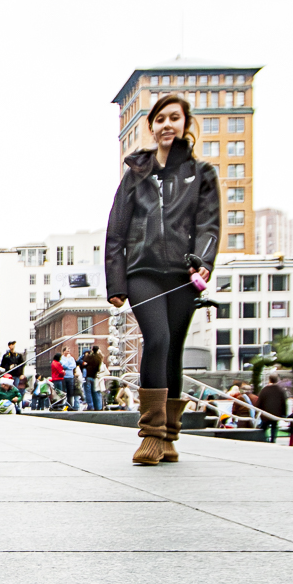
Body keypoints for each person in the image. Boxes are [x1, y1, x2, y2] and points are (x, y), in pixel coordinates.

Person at [106, 93, 220, 465]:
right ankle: (151, 434)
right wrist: (116, 284)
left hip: (183, 275)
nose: (168, 124)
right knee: (157, 338)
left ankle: (170, 437)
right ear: (151, 126)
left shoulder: (203, 174)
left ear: (186, 124)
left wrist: (202, 260)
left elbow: (209, 225)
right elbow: (116, 232)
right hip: (142, 271)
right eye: (161, 119)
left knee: (173, 349)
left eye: (175, 117)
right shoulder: (135, 174)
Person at [256, 373, 288, 443]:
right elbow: (284, 403)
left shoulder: (264, 390)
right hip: (276, 414)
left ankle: (264, 439)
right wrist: (284, 414)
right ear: (277, 380)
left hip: (265, 414)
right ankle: (273, 440)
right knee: (274, 426)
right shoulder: (281, 390)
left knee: (264, 426)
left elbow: (259, 402)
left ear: (269, 380)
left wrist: (258, 412)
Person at [82, 345, 104, 410]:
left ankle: (90, 406)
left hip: (88, 376)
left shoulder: (89, 357)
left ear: (92, 350)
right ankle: (97, 407)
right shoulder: (99, 358)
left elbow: (83, 361)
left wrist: (85, 366)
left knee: (88, 392)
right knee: (94, 392)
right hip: (94, 377)